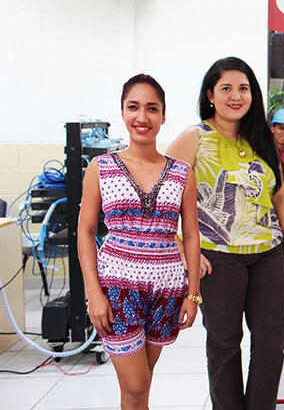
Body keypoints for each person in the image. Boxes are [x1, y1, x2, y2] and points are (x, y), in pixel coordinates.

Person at [167, 57, 284, 410]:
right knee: (225, 345)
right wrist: (182, 248)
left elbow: (280, 195)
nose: (235, 96)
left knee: (272, 345)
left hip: (268, 254)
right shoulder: (193, 138)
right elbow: (156, 195)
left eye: (243, 88)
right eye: (226, 88)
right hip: (218, 258)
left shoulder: (261, 139)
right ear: (211, 94)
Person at [77, 74, 201, 410]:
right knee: (136, 385)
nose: (142, 117)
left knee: (140, 387)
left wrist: (193, 294)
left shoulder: (182, 172)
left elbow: (190, 234)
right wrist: (93, 294)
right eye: (133, 107)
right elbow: (85, 232)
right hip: (116, 291)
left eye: (151, 108)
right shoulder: (100, 168)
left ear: (163, 116)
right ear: (122, 111)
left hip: (166, 291)